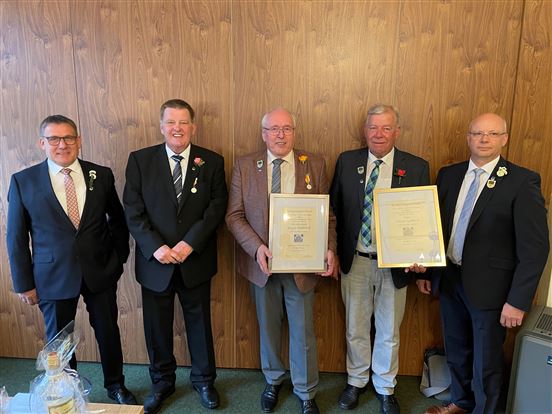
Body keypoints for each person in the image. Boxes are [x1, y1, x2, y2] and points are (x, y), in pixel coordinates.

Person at [417, 113, 549, 414]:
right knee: (457, 350)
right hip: (451, 280)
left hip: (493, 291)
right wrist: (427, 272)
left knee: (487, 360)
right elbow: (435, 229)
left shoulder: (521, 181)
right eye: (477, 133)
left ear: (504, 139)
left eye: (492, 134)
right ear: (468, 138)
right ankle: (461, 403)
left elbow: (536, 248)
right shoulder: (449, 175)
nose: (484, 139)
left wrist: (517, 300)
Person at [6, 115, 137, 405]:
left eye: (68, 138)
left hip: (100, 271)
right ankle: (68, 392)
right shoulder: (23, 181)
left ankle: (116, 385)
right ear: (43, 143)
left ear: (79, 141)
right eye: (54, 139)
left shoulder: (100, 175)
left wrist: (117, 261)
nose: (62, 144)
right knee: (60, 343)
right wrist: (24, 284)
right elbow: (15, 237)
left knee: (108, 333)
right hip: (51, 276)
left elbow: (117, 220)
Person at [225, 107, 337, 414]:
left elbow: (326, 215)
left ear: (294, 132)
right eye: (274, 129)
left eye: (286, 128)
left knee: (303, 330)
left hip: (302, 266)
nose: (280, 134)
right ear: (263, 133)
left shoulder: (314, 163)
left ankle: (306, 391)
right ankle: (273, 380)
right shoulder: (246, 165)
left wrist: (328, 248)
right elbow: (234, 216)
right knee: (268, 327)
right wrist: (257, 248)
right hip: (262, 265)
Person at [123, 99, 227, 414]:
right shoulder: (141, 161)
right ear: (161, 126)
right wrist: (156, 247)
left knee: (199, 323)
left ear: (193, 127)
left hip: (194, 259)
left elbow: (216, 208)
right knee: (157, 326)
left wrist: (189, 244)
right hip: (156, 261)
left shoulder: (212, 161)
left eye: (183, 122)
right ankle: (162, 382)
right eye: (171, 122)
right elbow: (133, 209)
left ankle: (204, 381)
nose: (177, 129)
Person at [329, 104, 430, 413]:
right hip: (356, 259)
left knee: (389, 330)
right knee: (355, 326)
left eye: (386, 128)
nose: (379, 134)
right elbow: (333, 209)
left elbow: (423, 215)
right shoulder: (348, 161)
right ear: (365, 130)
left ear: (397, 131)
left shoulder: (416, 166)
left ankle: (386, 386)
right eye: (373, 127)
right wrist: (331, 251)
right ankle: (356, 381)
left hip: (395, 264)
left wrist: (421, 256)